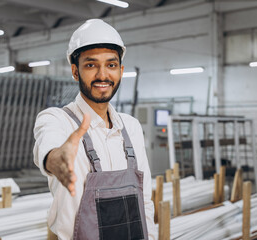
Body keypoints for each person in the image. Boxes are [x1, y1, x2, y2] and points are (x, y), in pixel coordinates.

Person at [33, 19, 156, 240]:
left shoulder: (132, 127)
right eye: (91, 65)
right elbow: (49, 148)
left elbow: (145, 200)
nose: (102, 75)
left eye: (111, 65)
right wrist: (55, 160)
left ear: (121, 70)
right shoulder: (56, 120)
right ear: (75, 71)